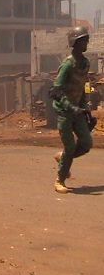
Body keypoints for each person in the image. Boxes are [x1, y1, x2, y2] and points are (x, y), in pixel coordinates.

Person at [49, 26, 93, 193]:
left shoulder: (86, 63)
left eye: (87, 39)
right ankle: (59, 180)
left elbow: (82, 88)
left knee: (87, 143)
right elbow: (55, 90)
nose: (86, 42)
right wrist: (70, 107)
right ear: (75, 42)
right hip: (64, 111)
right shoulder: (67, 64)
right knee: (69, 147)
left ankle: (62, 158)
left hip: (77, 110)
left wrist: (85, 108)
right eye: (83, 40)